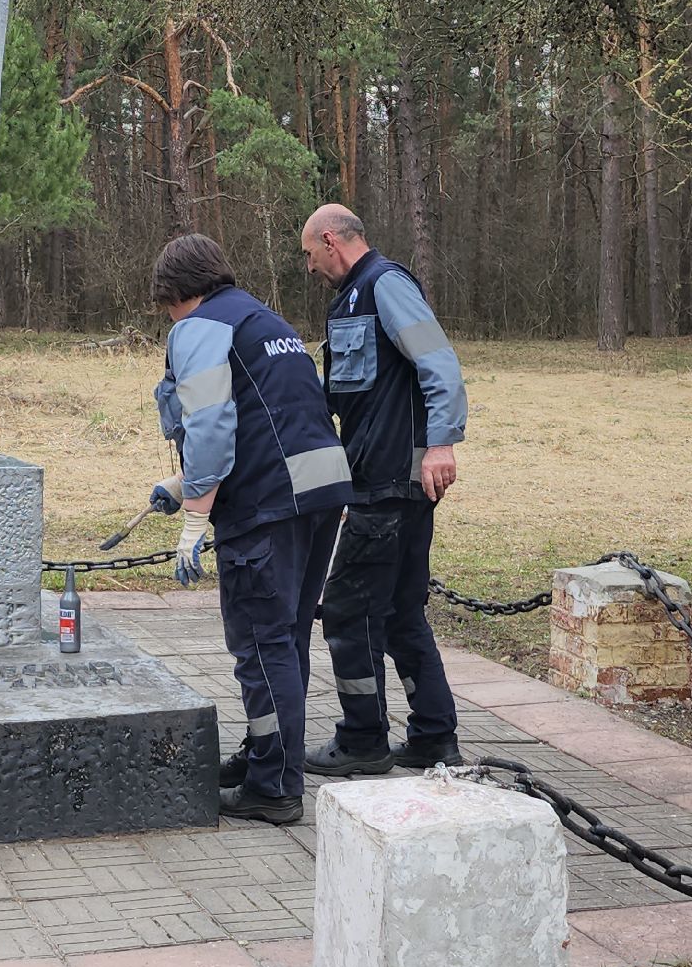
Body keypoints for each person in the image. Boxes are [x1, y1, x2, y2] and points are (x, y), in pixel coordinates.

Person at [147, 233, 354, 823]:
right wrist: (181, 485)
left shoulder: (200, 325)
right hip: (318, 493)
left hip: (267, 506)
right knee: (285, 640)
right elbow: (271, 417)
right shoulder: (264, 318)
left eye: (168, 307)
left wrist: (194, 518)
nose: (170, 319)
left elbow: (210, 427)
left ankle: (273, 787)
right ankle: (271, 754)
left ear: (178, 294)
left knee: (261, 646)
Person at [299, 204, 468, 776]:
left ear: (330, 240)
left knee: (347, 610)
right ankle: (432, 737)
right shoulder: (348, 299)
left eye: (309, 254)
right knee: (399, 612)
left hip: (395, 484)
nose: (309, 265)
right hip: (377, 482)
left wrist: (441, 445)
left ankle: (363, 740)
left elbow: (439, 364)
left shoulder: (385, 286)